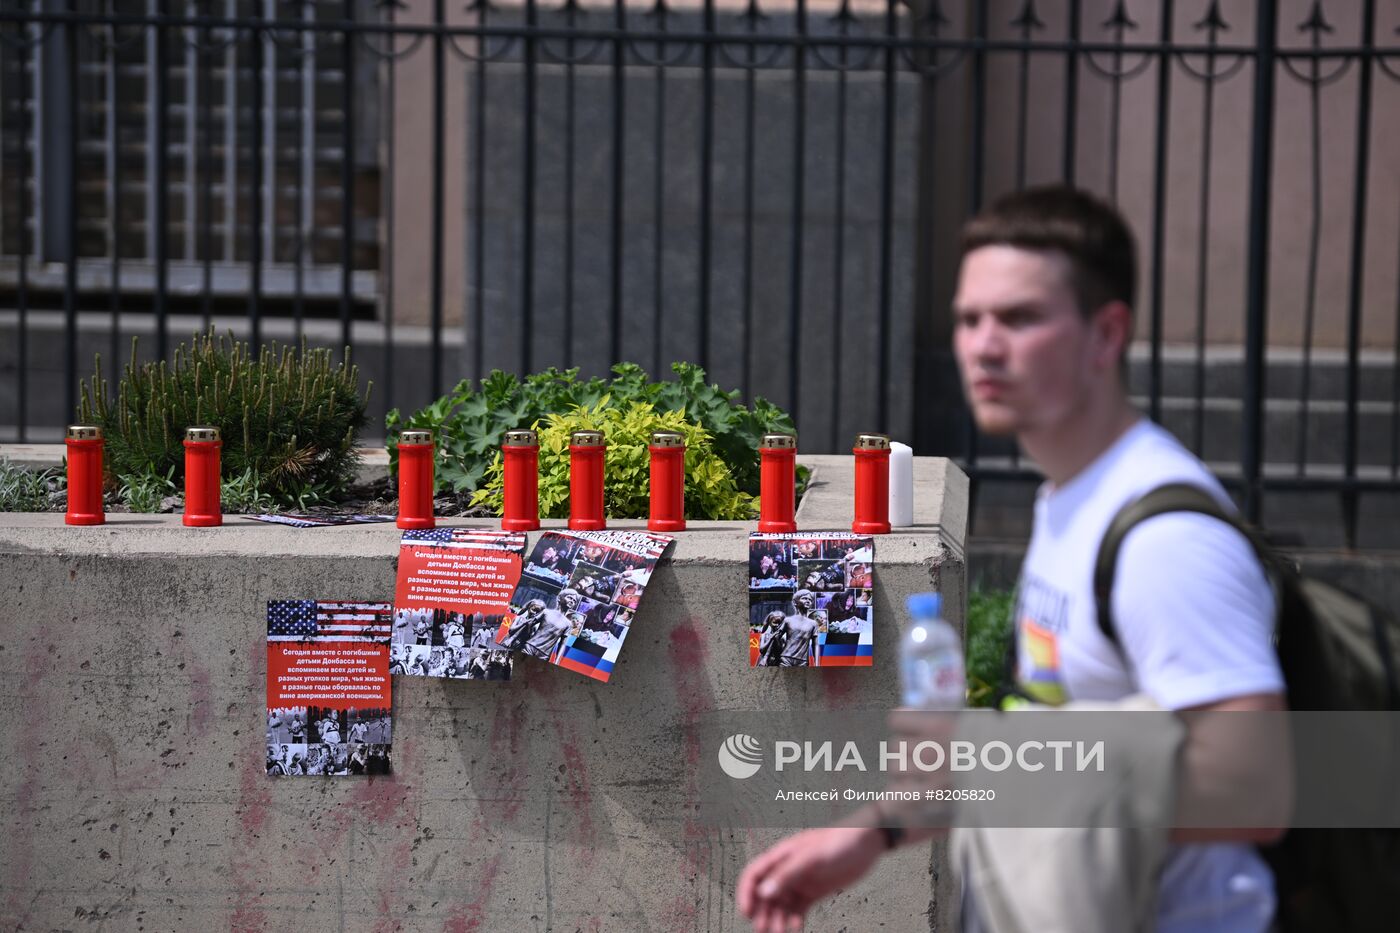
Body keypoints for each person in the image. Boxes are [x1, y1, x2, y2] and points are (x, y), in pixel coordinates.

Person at [737, 185, 1289, 933]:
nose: (983, 345)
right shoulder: (1072, 498)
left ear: (1106, 334)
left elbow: (1251, 790)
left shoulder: (1167, 539)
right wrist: (874, 831)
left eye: (1020, 317)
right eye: (969, 319)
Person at [522, 589, 584, 662]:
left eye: (574, 601)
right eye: (570, 598)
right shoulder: (546, 612)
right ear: (559, 598)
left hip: (544, 655)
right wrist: (529, 636)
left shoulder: (568, 624)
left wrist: (556, 661)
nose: (572, 601)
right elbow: (529, 624)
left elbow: (562, 644)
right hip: (529, 647)